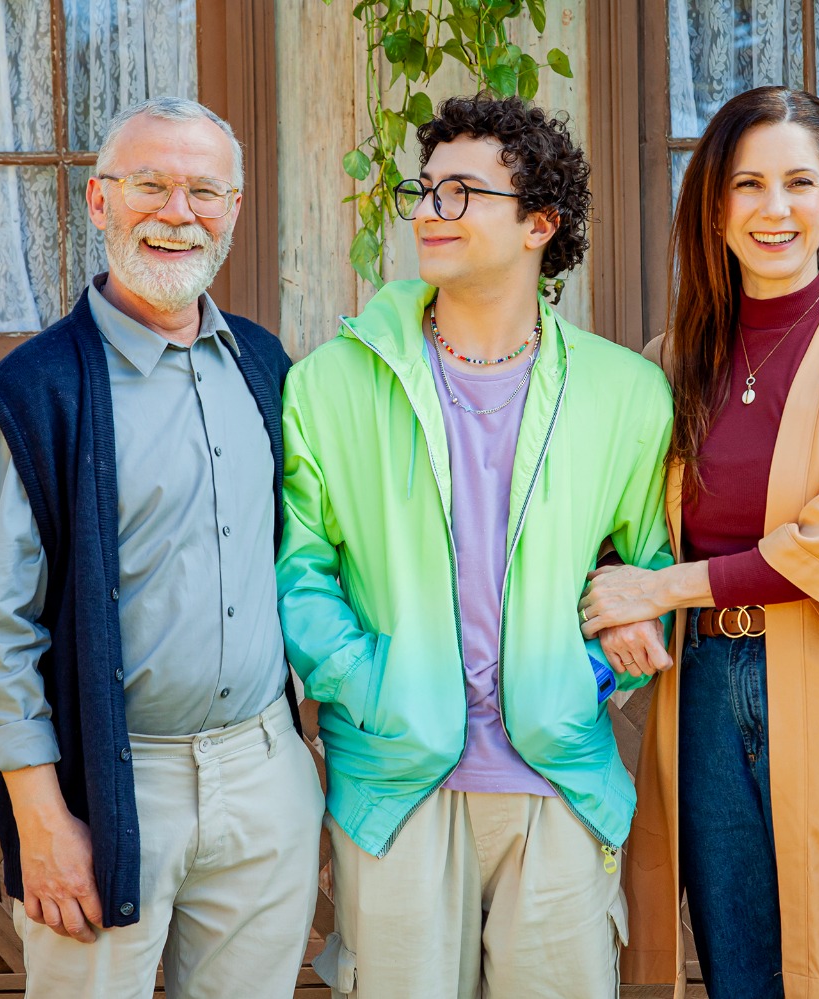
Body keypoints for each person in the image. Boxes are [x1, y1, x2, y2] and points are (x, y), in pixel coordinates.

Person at [277, 93, 674, 999]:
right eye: (423, 191)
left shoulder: (628, 394)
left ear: (540, 223)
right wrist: (365, 682)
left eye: (460, 193)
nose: (427, 212)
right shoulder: (329, 384)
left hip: (561, 777)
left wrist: (600, 670)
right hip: (396, 780)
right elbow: (300, 570)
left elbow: (652, 564)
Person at [580, 86, 819, 999]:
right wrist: (610, 581)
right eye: (748, 185)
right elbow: (605, 517)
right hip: (708, 693)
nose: (774, 208)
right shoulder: (670, 363)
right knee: (739, 968)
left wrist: (662, 590)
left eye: (799, 182)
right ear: (716, 208)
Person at [0, 96, 323, 999]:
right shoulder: (34, 393)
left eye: (203, 190)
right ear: (98, 201)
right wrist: (40, 819)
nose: (176, 212)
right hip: (113, 780)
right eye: (149, 185)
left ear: (232, 210)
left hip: (264, 768)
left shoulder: (264, 366)